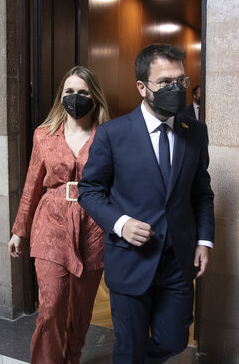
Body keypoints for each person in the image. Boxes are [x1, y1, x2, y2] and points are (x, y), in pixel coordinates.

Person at [78, 43, 215, 364]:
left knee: (174, 340)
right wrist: (120, 223)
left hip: (178, 262)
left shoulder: (195, 132)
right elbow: (89, 190)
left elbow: (202, 192)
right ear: (142, 87)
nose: (175, 89)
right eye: (164, 82)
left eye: (180, 81)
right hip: (130, 261)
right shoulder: (113, 134)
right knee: (129, 349)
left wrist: (204, 240)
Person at [8, 66, 110, 364]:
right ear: (60, 96)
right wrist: (19, 231)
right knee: (51, 307)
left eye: (82, 92)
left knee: (80, 310)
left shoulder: (109, 135)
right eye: (69, 91)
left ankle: (72, 358)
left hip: (93, 228)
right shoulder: (44, 135)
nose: (75, 97)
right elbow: (31, 185)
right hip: (50, 224)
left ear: (94, 97)